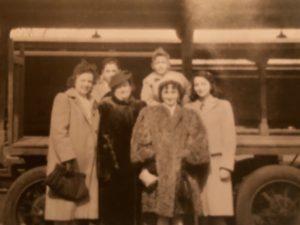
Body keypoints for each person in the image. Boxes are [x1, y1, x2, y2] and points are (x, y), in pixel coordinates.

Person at [131, 75, 209, 225]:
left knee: (179, 215)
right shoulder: (148, 113)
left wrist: (186, 157)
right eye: (166, 92)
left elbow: (199, 143)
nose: (170, 95)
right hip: (157, 172)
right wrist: (152, 161)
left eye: (174, 92)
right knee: (160, 216)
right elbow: (139, 143)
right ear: (160, 94)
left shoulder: (190, 115)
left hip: (182, 173)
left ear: (179, 94)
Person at [45, 59, 100, 225]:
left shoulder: (93, 103)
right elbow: (59, 131)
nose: (86, 84)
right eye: (83, 80)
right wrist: (68, 159)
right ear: (74, 80)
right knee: (65, 210)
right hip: (70, 163)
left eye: (90, 81)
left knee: (81, 213)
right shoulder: (64, 98)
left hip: (87, 163)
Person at [185, 71, 236, 225]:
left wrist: (226, 165)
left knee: (218, 211)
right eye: (196, 85)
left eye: (203, 84)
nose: (200, 88)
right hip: (196, 164)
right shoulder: (189, 108)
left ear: (211, 85)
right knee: (200, 212)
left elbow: (229, 137)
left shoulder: (223, 105)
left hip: (216, 161)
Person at [97, 70, 146, 225]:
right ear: (113, 89)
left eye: (126, 85)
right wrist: (104, 167)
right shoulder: (105, 106)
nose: (123, 89)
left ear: (131, 87)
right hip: (111, 166)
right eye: (119, 87)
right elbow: (98, 138)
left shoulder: (139, 106)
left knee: (132, 208)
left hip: (133, 166)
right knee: (111, 207)